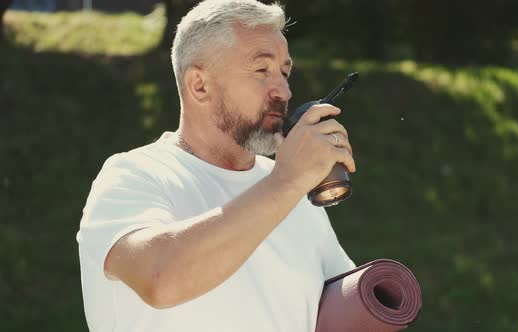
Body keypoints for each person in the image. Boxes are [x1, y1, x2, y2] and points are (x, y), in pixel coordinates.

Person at [76, 0, 357, 331]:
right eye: (261, 69)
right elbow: (159, 280)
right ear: (199, 85)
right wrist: (287, 182)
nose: (283, 89)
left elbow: (341, 310)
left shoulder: (293, 190)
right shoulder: (133, 176)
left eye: (284, 71)